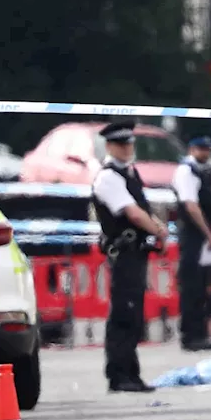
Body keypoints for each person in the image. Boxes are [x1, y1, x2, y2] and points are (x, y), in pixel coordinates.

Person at [91, 121, 169, 393]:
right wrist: (158, 229)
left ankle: (131, 373)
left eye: (130, 143)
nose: (127, 148)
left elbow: (141, 207)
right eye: (122, 144)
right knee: (124, 314)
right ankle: (119, 375)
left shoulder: (128, 172)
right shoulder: (108, 177)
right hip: (123, 254)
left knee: (133, 314)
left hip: (136, 254)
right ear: (110, 146)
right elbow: (132, 213)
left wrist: (156, 226)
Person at [172, 136, 211, 353]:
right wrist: (207, 232)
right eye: (202, 149)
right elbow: (191, 206)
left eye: (208, 149)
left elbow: (209, 206)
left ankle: (200, 333)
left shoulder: (203, 172)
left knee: (203, 285)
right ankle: (190, 335)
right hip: (193, 235)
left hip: (204, 235)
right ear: (192, 149)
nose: (206, 153)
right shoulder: (186, 171)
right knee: (192, 286)